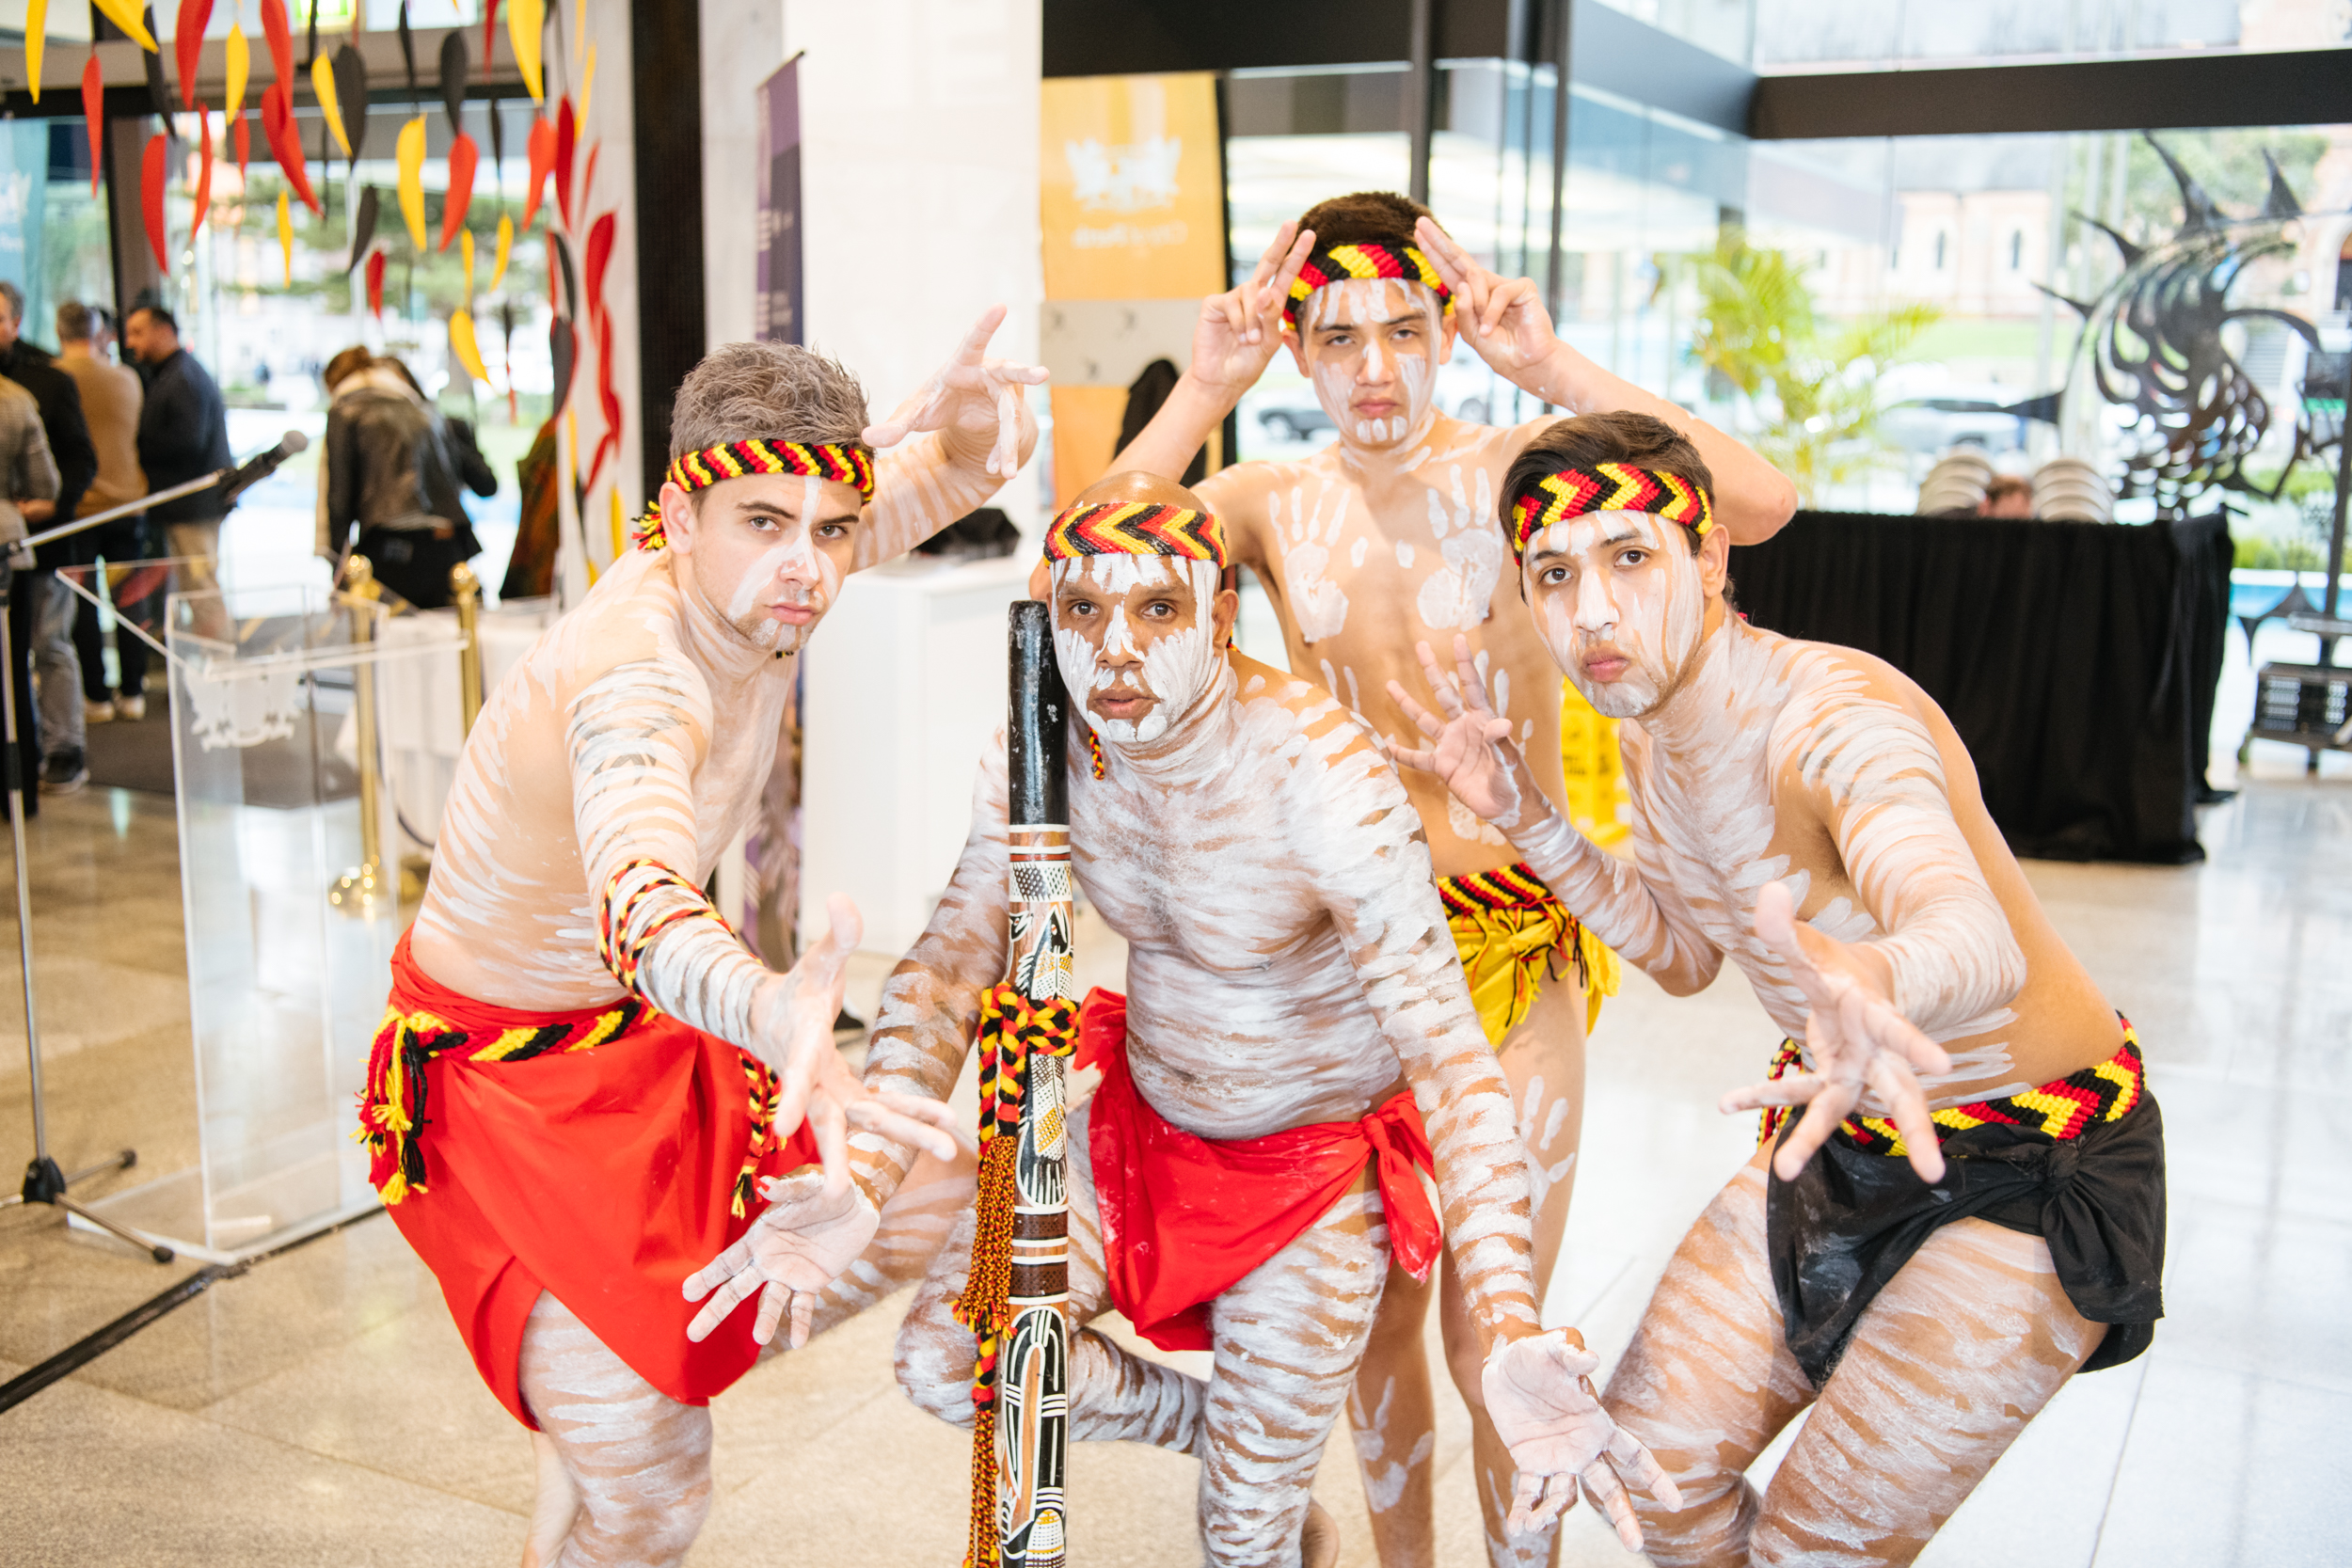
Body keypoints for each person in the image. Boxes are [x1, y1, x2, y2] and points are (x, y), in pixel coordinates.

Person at [690, 470, 1679, 1568]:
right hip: (1136, 1134)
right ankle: (1224, 1432)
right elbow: (943, 972)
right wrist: (863, 1174)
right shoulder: (1042, 743)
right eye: (1084, 610)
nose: (1115, 650)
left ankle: (1256, 1478)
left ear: (1217, 613)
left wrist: (1506, 1316)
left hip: (1308, 1178)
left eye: (1157, 608)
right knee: (948, 1358)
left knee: (1242, 1540)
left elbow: (1450, 1063)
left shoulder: (1320, 774)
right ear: (1048, 616)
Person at [1107, 190, 1797, 1565]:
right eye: (1342, 335)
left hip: (1505, 950)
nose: (1377, 366)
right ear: (1297, 350)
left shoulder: (1521, 469)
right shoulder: (1263, 498)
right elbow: (1085, 565)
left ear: (1448, 334)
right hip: (1344, 964)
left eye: (1408, 328)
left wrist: (1551, 368)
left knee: (1505, 1326)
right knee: (1372, 1325)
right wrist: (1204, 385)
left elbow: (1763, 500)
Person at [1391, 409, 2166, 1568]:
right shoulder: (1658, 726)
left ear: (1710, 560)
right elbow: (1681, 951)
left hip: (2028, 1169)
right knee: (1648, 1478)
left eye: (1631, 557)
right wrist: (1530, 820)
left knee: (1813, 1549)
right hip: (1836, 1140)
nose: (1590, 610)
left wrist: (1872, 971)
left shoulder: (1830, 717)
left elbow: (1968, 930)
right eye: (1554, 574)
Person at [358, 311, 1046, 1568]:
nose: (812, 569)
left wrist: (958, 405)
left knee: (956, 1185)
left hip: (647, 1044)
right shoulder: (639, 666)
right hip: (514, 1092)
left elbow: (971, 466)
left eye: (835, 529)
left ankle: (585, 1408)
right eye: (770, 526)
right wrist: (776, 1007)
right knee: (654, 1498)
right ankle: (587, 1402)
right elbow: (642, 900)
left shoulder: (774, 567)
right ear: (679, 519)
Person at [0, 282, 98, 793]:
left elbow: (82, 460)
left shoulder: (48, 382)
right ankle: (24, 751)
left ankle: (65, 748)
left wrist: (51, 504)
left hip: (45, 542)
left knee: (49, 644)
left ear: (15, 323)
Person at [317, 347, 485, 609]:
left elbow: (339, 497)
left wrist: (338, 569)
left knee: (389, 639)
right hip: (448, 543)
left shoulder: (346, 409)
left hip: (392, 548)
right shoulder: (418, 405)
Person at [55, 300, 153, 726]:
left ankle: (95, 696)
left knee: (84, 604)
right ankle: (133, 690)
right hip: (128, 504)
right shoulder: (126, 378)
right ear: (98, 333)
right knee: (129, 599)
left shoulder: (56, 381)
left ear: (59, 332)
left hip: (80, 511)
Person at [122, 303, 232, 590]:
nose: (129, 342)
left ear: (164, 332)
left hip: (193, 504)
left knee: (201, 590)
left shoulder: (182, 377)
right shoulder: (172, 373)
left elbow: (188, 441)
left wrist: (139, 450)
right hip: (186, 505)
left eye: (137, 332)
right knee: (192, 589)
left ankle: (215, 638)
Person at [0, 372, 59, 816]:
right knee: (12, 671)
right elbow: (47, 487)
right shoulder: (15, 399)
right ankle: (18, 797)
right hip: (7, 543)